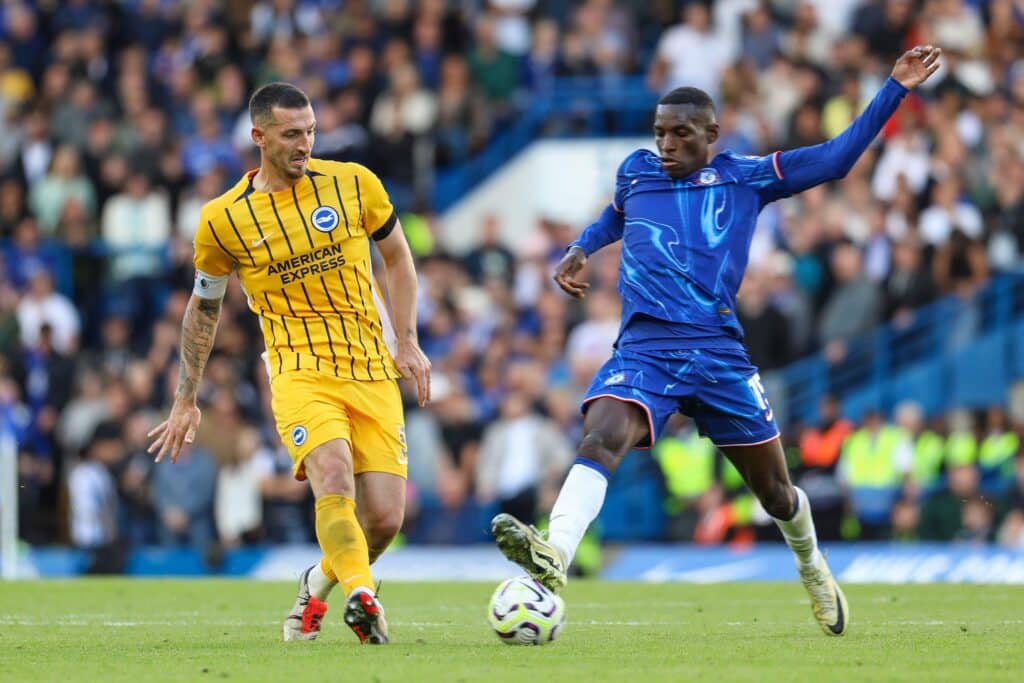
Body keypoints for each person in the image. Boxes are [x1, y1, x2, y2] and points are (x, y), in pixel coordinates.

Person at [492, 45, 942, 638]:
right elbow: (615, 213)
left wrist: (894, 88)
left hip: (718, 354)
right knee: (601, 433)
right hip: (647, 348)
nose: (667, 144)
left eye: (680, 134)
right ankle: (557, 553)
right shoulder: (636, 171)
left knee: (777, 494)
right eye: (659, 133)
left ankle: (812, 567)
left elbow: (836, 160)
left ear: (712, 134)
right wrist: (582, 246)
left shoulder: (745, 177)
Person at [147, 83, 431, 645]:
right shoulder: (223, 219)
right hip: (298, 369)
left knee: (383, 520)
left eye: (311, 132)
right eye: (292, 134)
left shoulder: (354, 184)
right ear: (259, 137)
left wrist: (409, 339)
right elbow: (203, 310)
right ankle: (361, 598)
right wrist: (187, 397)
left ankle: (320, 582)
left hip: (371, 365)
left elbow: (397, 258)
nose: (306, 144)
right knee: (333, 478)